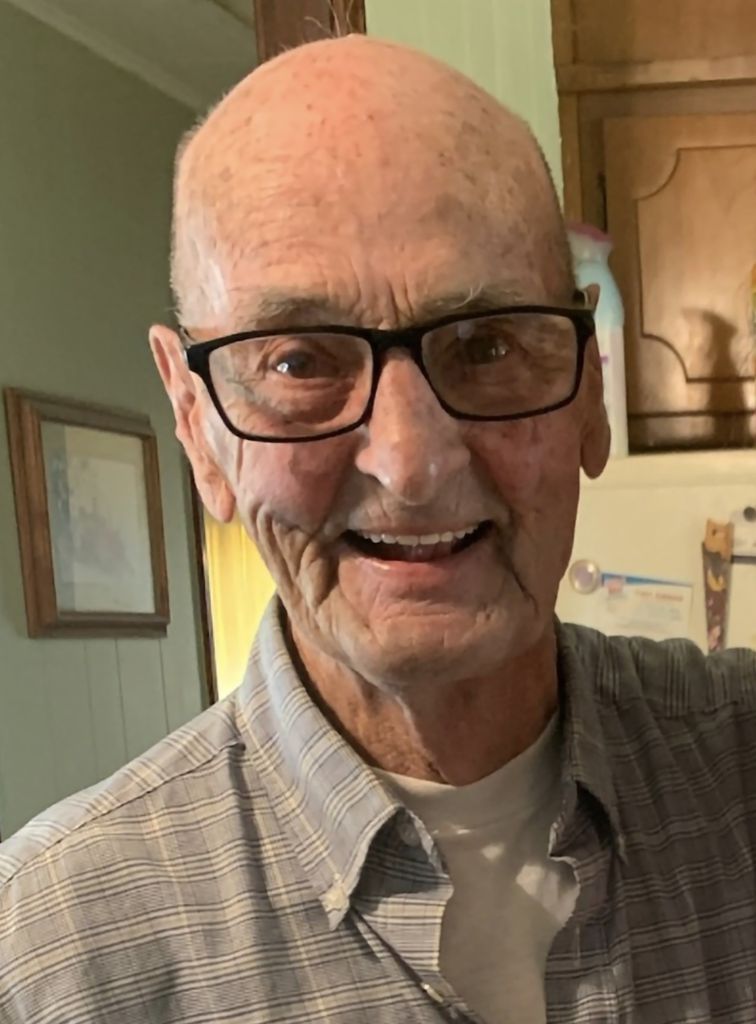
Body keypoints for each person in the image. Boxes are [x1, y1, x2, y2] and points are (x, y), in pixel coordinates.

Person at [2, 34, 756, 1024]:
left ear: (590, 389)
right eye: (299, 363)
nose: (411, 463)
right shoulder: (51, 961)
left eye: (487, 345)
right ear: (195, 421)